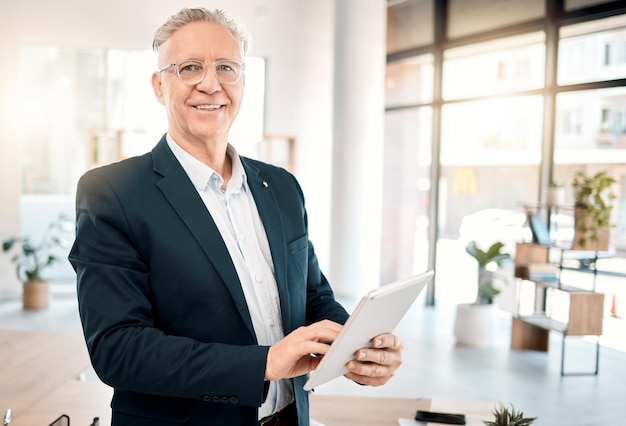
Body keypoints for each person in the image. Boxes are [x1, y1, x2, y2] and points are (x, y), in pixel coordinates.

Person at [69, 7, 403, 426]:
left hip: (287, 417)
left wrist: (357, 349)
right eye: (189, 67)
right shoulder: (113, 191)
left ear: (244, 81)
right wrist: (265, 362)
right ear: (159, 85)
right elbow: (118, 349)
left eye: (226, 67)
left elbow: (312, 297)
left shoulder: (282, 187)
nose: (210, 84)